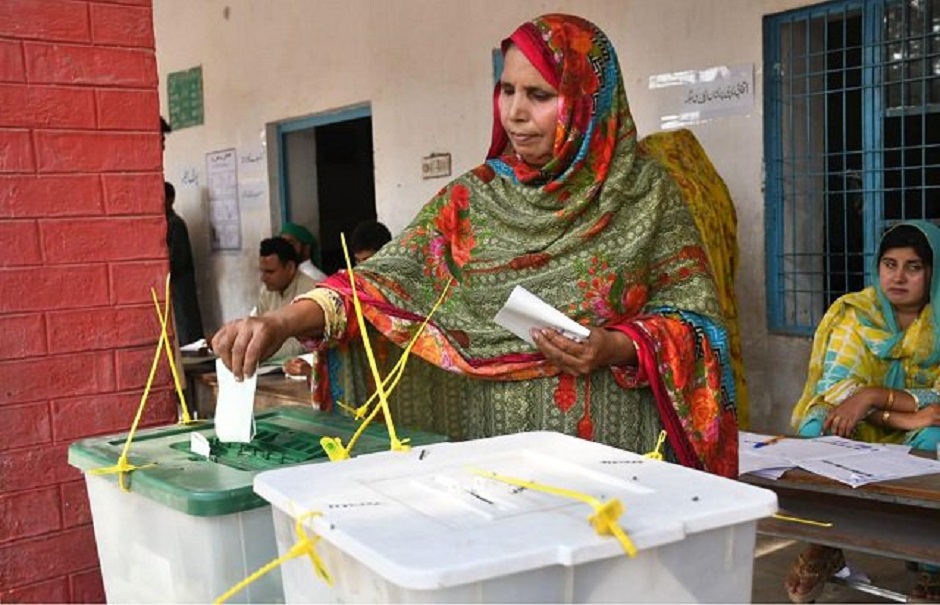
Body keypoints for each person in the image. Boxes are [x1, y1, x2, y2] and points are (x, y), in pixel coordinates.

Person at [213, 13, 739, 477]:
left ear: (586, 103)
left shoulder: (646, 195)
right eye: (506, 90)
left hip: (612, 463)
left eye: (539, 95)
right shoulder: (472, 202)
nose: (514, 112)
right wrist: (280, 322)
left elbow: (696, 326)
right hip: (488, 464)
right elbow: (380, 284)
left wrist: (616, 346)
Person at [786, 220, 940, 604]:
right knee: (819, 426)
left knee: (934, 440)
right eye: (890, 264)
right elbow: (838, 389)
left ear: (933, 272)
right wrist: (895, 411)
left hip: (923, 425)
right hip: (879, 421)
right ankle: (824, 542)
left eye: (914, 267)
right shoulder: (854, 314)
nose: (898, 277)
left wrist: (873, 396)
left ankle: (933, 564)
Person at [255, 236, 318, 361]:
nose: (263, 278)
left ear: (290, 268)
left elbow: (304, 345)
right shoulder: (266, 291)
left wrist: (259, 352)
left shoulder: (311, 291)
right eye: (262, 272)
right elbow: (260, 331)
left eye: (270, 272)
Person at [165, 181, 205, 346]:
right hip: (171, 286)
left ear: (170, 199)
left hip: (180, 285)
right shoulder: (163, 223)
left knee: (186, 326)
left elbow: (177, 259)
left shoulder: (175, 224)